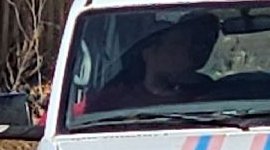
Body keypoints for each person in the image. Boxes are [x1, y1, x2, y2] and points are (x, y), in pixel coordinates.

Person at [79, 14, 221, 116]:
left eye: (202, 45)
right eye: (178, 44)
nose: (193, 51)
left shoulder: (211, 95)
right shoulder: (114, 99)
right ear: (149, 51)